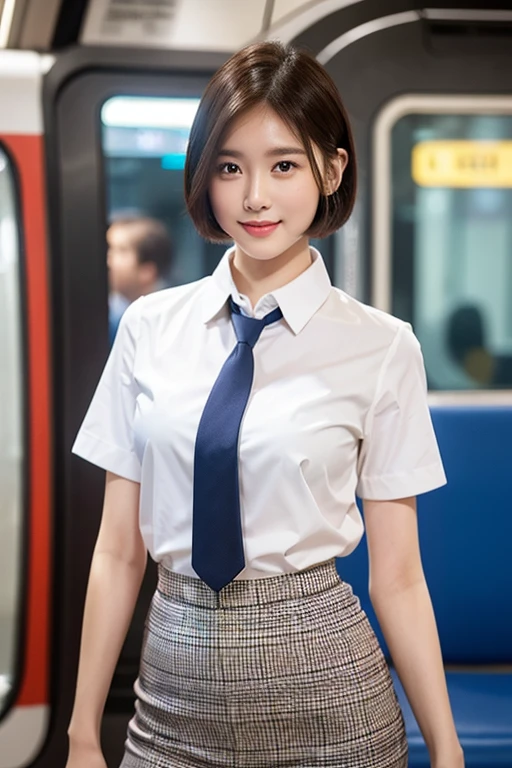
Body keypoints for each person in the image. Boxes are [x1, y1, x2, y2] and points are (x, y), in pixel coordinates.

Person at [67, 42, 464, 768]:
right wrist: (83, 733)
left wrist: (445, 746)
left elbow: (399, 576)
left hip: (329, 694)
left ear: (332, 170)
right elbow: (119, 552)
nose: (254, 196)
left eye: (284, 164)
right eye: (230, 166)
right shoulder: (150, 331)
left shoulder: (382, 347)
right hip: (168, 697)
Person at [106, 216, 172, 343]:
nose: (108, 260)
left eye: (120, 250)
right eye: (107, 249)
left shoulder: (166, 323)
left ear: (147, 271)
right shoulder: (110, 316)